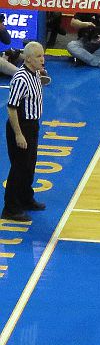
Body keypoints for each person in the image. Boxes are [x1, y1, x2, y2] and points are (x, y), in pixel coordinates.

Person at [2, 41, 47, 222]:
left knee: (29, 165)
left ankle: (26, 198)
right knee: (19, 167)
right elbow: (12, 108)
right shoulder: (20, 79)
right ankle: (10, 208)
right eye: (38, 56)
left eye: (43, 55)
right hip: (21, 126)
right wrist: (19, 134)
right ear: (28, 59)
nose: (43, 59)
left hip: (32, 124)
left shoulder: (35, 73)